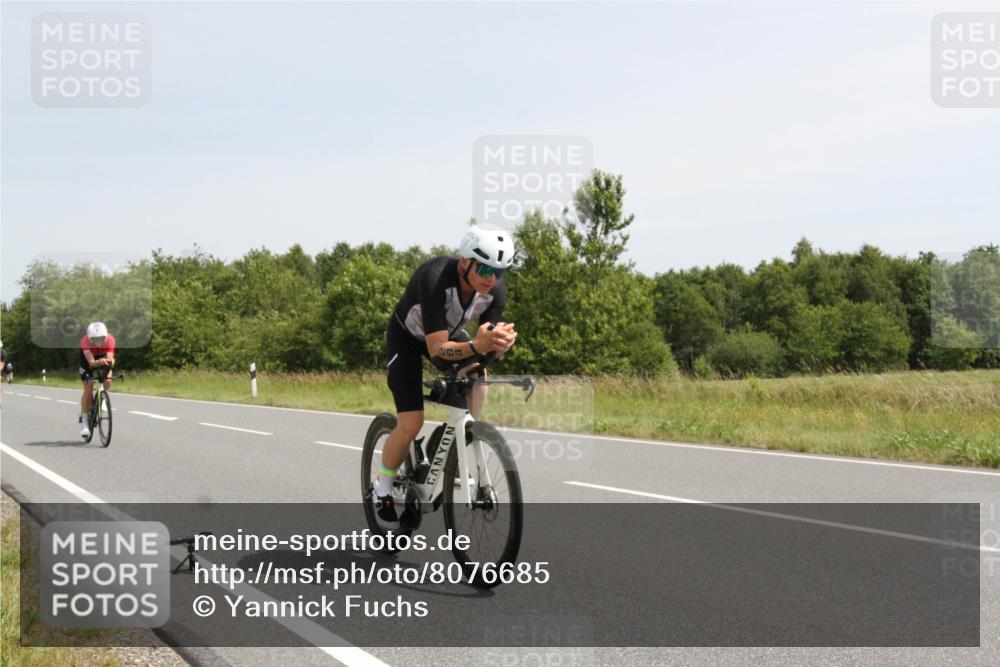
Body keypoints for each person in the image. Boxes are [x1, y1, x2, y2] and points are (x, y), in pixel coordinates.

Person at [374, 226, 518, 530]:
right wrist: (477, 345)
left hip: (450, 337)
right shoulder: (435, 277)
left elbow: (484, 347)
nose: (492, 277)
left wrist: (497, 347)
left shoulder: (495, 290)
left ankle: (461, 438)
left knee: (478, 375)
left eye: (500, 270)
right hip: (408, 339)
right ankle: (382, 485)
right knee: (411, 422)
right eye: (486, 268)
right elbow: (436, 348)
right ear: (465, 261)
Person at [79, 322, 116, 439]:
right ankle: (84, 422)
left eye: (101, 339)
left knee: (108, 379)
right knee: (88, 388)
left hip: (103, 358)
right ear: (89, 338)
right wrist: (99, 362)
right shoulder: (84, 341)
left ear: (106, 336)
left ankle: (103, 399)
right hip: (87, 362)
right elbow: (91, 362)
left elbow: (109, 360)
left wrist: (109, 364)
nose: (98, 342)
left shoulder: (110, 340)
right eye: (94, 339)